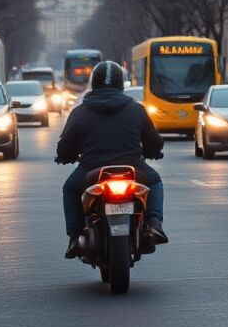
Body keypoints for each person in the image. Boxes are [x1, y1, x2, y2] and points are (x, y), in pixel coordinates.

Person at [56, 60, 167, 259]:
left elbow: (65, 147)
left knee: (70, 189)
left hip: (91, 170)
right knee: (155, 182)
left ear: (94, 83)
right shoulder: (136, 109)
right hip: (134, 168)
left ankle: (75, 238)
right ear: (120, 84)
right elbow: (154, 141)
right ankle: (154, 224)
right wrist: (153, 151)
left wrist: (65, 157)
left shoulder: (80, 112)